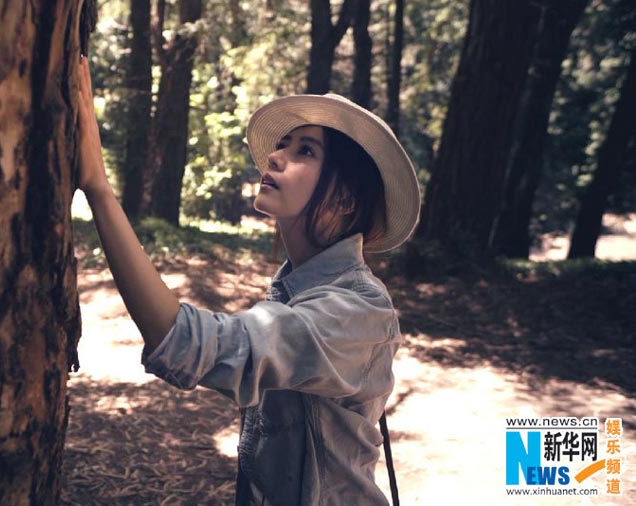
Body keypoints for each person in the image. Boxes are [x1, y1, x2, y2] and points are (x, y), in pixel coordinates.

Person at [75, 56, 420, 505]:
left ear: (344, 199)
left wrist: (98, 186)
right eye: (284, 144)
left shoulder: (356, 312)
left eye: (306, 151)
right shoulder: (298, 290)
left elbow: (182, 341)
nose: (276, 156)